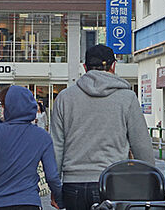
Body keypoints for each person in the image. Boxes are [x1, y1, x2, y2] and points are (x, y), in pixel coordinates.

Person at [51, 45, 154, 210]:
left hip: (73, 184)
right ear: (113, 66)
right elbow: (141, 144)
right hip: (113, 182)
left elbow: (56, 145)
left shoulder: (65, 98)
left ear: (85, 67)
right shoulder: (127, 97)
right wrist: (150, 180)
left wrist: (55, 187)